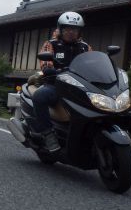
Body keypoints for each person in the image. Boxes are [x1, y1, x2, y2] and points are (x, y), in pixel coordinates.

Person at [30, 11, 91, 152]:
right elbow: (45, 65)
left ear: (79, 31)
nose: (71, 32)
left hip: (80, 87)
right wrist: (50, 70)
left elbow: (93, 63)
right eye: (67, 29)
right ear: (61, 29)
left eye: (74, 29)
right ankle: (48, 134)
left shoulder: (85, 47)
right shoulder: (51, 44)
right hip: (56, 85)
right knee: (40, 96)